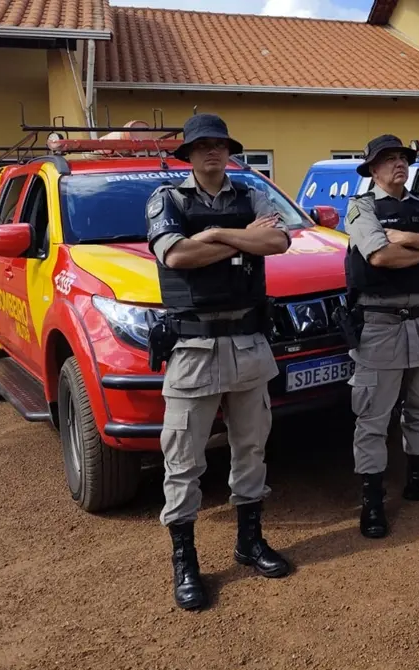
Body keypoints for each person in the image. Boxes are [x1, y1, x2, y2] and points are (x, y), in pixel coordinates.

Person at [146, 113, 294, 611]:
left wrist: (212, 236)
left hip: (249, 342)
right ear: (187, 153)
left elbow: (277, 241)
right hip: (193, 349)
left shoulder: (251, 195)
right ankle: (185, 563)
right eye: (202, 145)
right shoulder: (167, 199)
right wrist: (233, 236)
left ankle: (249, 542)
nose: (213, 151)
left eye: (220, 144)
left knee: (251, 449)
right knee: (184, 461)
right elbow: (175, 256)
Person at [343, 134, 419, 539]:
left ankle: (418, 480)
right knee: (374, 418)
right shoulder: (361, 208)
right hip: (379, 326)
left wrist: (409, 239)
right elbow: (379, 256)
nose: (398, 164)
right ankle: (372, 499)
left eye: (402, 158)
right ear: (372, 169)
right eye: (388, 159)